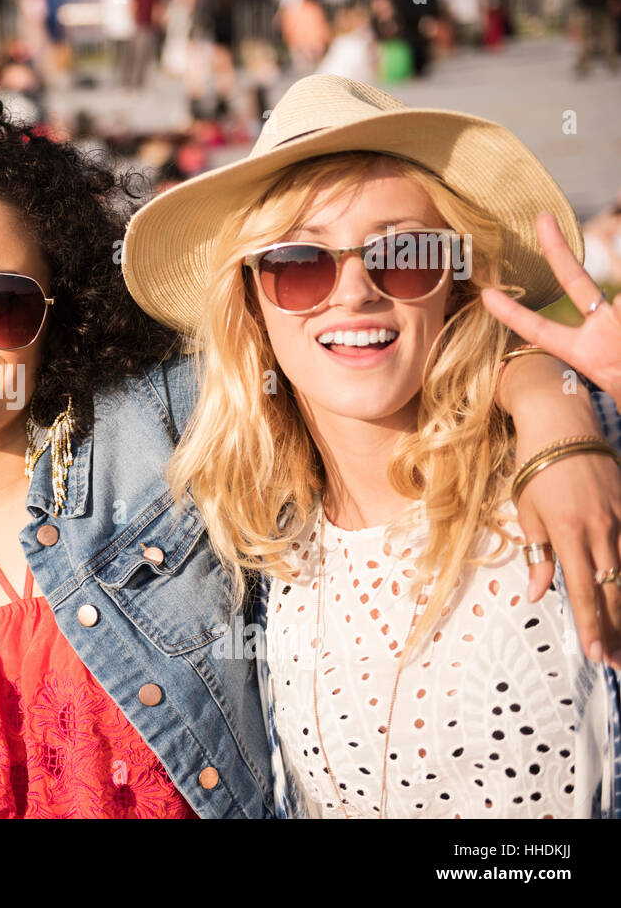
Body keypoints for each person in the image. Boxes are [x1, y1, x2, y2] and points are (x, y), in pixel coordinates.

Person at [0, 91, 621, 819]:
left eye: (4, 301)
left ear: (63, 319)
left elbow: (350, 350)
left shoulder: (160, 430)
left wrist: (551, 402)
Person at [122, 74, 621, 817]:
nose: (353, 291)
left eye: (406, 253)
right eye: (299, 264)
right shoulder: (257, 552)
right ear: (254, 305)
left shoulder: (561, 484)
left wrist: (576, 403)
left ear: (454, 284)